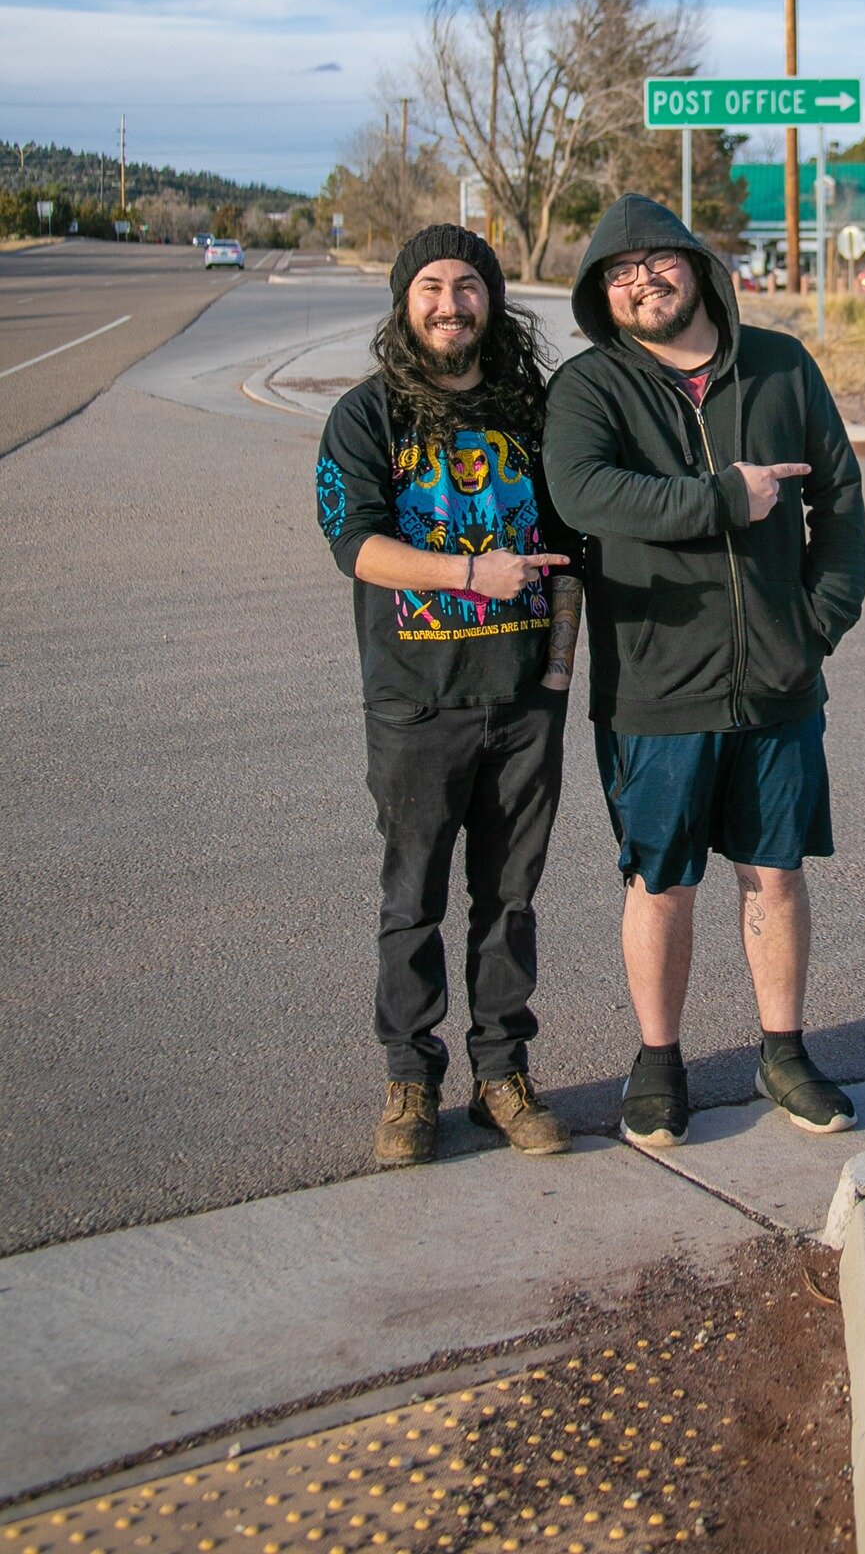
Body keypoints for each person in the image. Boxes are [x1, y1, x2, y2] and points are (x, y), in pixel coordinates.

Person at [544, 194, 865, 1148]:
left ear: (696, 266)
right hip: (655, 680)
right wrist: (729, 496)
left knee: (775, 871)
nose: (640, 281)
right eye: (617, 273)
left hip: (777, 677)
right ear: (602, 296)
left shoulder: (779, 366)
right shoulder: (591, 387)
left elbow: (840, 499)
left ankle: (784, 1051)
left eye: (656, 262)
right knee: (660, 880)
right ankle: (658, 1063)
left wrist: (817, 625)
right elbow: (586, 493)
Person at [316, 223, 584, 1168]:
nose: (449, 303)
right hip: (414, 703)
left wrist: (555, 677)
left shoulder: (533, 411)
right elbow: (358, 547)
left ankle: (502, 1075)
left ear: (492, 303)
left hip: (521, 706)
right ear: (405, 301)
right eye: (431, 285)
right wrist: (472, 572)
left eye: (467, 286)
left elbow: (569, 557)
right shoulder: (366, 416)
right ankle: (410, 1080)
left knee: (509, 899)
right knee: (412, 899)